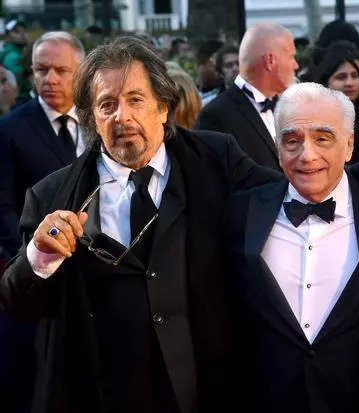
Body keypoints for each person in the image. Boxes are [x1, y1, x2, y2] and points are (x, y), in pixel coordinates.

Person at [0, 36, 280, 413]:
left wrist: (357, 172)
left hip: (207, 388)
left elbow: (290, 195)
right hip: (101, 395)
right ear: (91, 117)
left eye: (135, 100)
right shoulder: (50, 196)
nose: (122, 116)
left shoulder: (217, 160)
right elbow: (17, 304)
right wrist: (40, 256)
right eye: (107, 104)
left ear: (163, 107)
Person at [226, 82, 359, 413]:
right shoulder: (241, 212)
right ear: (278, 148)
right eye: (292, 141)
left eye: (323, 139)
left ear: (349, 145)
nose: (307, 155)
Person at [0, 31, 85, 261]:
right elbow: (3, 209)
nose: (50, 79)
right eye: (42, 70)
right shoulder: (9, 129)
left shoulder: (98, 121)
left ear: (81, 73)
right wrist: (29, 259)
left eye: (61, 70)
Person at [195, 23, 298, 171]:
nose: (295, 65)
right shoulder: (216, 115)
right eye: (291, 56)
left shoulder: (289, 106)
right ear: (270, 61)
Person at [314, 42, 359, 163]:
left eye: (354, 76)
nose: (349, 83)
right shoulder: (314, 120)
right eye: (341, 77)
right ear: (326, 82)